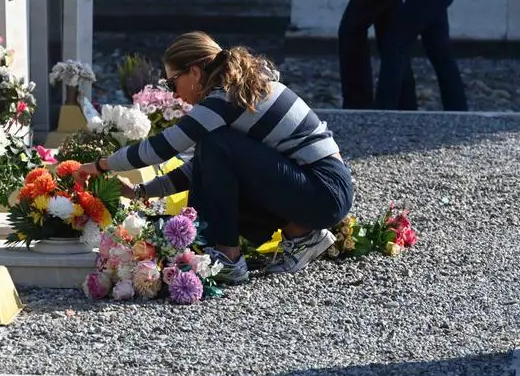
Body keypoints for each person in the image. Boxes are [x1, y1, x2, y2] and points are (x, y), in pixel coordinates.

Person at [78, 31, 354, 284]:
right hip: (322, 190)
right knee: (213, 156)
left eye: (173, 82)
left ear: (195, 72)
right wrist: (141, 192)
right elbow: (206, 168)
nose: (174, 94)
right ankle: (302, 235)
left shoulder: (224, 99)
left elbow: (161, 148)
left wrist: (101, 165)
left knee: (214, 145)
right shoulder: (235, 91)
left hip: (325, 191)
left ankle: (229, 256)